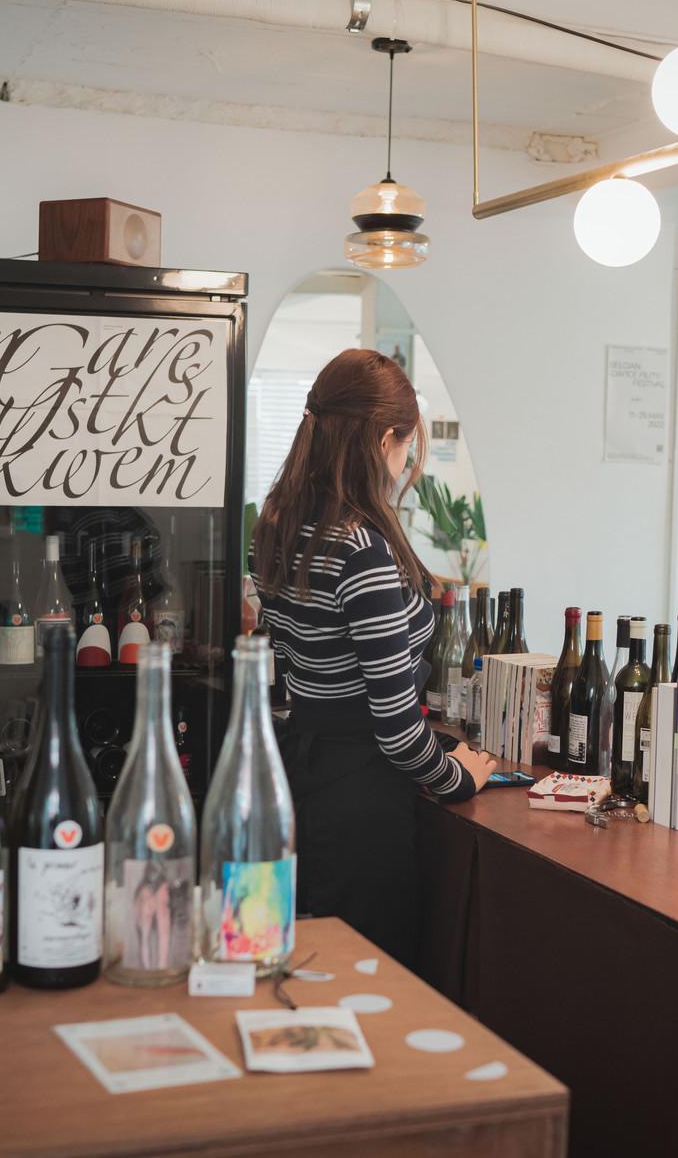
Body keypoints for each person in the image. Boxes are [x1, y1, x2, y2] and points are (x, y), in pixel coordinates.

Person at [251, 348, 497, 967]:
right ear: (387, 437)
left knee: (303, 975)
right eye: (405, 446)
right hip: (359, 802)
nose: (404, 462)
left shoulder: (280, 525)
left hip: (299, 774)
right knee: (366, 986)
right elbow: (394, 728)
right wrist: (458, 777)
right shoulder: (360, 547)